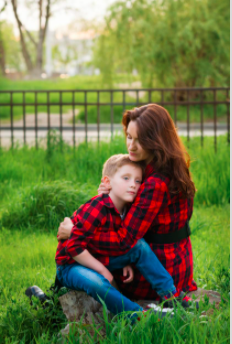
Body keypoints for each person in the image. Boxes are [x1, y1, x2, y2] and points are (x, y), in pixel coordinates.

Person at [58, 104, 197, 302]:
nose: (131, 146)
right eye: (129, 137)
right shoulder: (171, 165)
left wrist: (76, 232)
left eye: (141, 140)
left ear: (157, 140)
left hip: (154, 273)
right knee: (86, 255)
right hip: (178, 263)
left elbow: (124, 241)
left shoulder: (155, 184)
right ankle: (57, 293)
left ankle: (56, 294)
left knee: (80, 256)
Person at [55, 154, 193, 320]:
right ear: (107, 182)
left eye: (137, 181)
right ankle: (138, 315)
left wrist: (125, 260)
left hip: (99, 256)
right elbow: (74, 247)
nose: (133, 185)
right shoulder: (97, 207)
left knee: (139, 246)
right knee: (97, 282)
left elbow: (117, 240)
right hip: (71, 265)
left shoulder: (126, 209)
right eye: (126, 178)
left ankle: (171, 297)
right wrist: (102, 270)